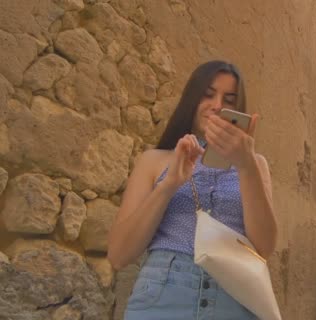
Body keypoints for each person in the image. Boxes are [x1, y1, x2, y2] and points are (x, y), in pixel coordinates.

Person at [107, 60, 277, 320]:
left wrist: (246, 165)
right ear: (192, 98)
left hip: (233, 299)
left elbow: (264, 246)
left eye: (229, 99)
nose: (218, 106)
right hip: (162, 297)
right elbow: (119, 255)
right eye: (208, 95)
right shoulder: (155, 160)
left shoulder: (255, 165)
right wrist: (169, 184)